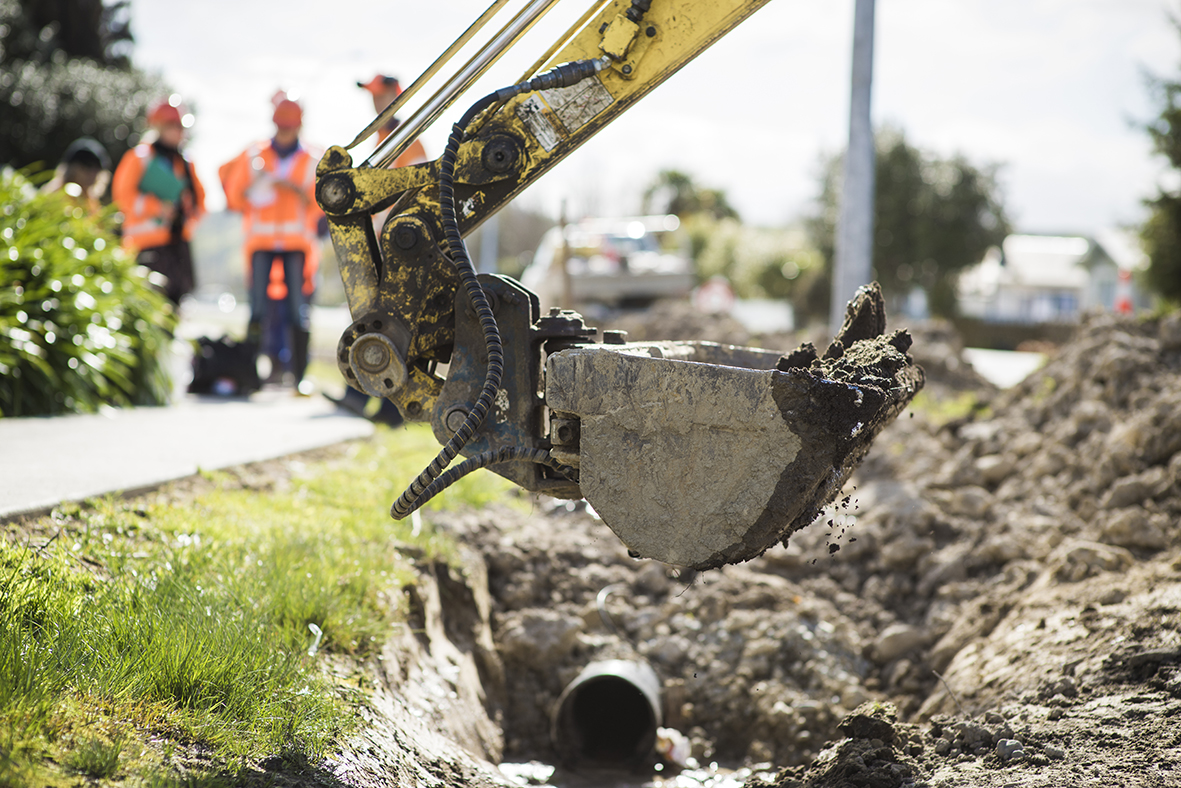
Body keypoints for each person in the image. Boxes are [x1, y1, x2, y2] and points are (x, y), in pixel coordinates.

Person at [327, 75, 431, 424]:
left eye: (382, 96)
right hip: (387, 240)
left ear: (396, 96)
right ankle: (365, 400)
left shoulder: (406, 140)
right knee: (371, 314)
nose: (376, 103)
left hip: (399, 244)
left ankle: (388, 408)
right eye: (373, 97)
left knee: (387, 318)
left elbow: (416, 188)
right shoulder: (383, 139)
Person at [220, 92, 323, 396]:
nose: (285, 133)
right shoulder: (254, 155)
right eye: (282, 127)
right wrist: (256, 185)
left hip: (296, 244)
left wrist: (297, 192)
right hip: (261, 242)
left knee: (297, 310)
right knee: (258, 309)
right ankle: (250, 374)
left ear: (299, 126)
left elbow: (321, 204)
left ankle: (299, 377)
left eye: (290, 127)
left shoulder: (313, 158)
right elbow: (234, 197)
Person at [111, 96, 205, 306]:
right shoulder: (140, 157)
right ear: (158, 126)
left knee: (174, 305)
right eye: (173, 126)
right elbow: (122, 197)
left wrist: (185, 215)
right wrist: (158, 207)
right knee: (147, 305)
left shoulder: (186, 163)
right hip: (145, 247)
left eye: (180, 127)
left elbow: (200, 202)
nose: (179, 132)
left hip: (177, 245)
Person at [45, 137, 112, 210]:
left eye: (97, 168)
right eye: (88, 165)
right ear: (71, 167)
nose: (93, 173)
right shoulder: (53, 194)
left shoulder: (92, 202)